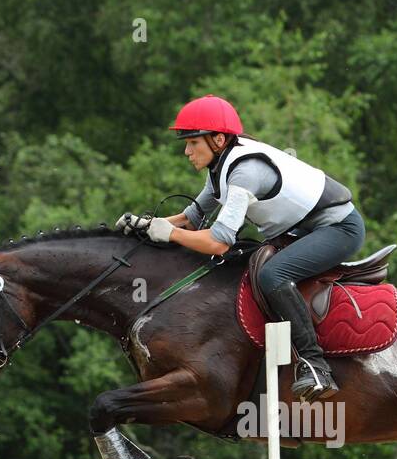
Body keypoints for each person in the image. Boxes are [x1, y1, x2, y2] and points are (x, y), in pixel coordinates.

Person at [115, 94, 363, 402]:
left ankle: (315, 364)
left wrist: (169, 234)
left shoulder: (244, 172)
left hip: (338, 229)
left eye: (193, 142)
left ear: (218, 139)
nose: (186, 151)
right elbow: (191, 220)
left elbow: (218, 242)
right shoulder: (220, 167)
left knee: (272, 276)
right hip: (305, 229)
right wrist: (147, 225)